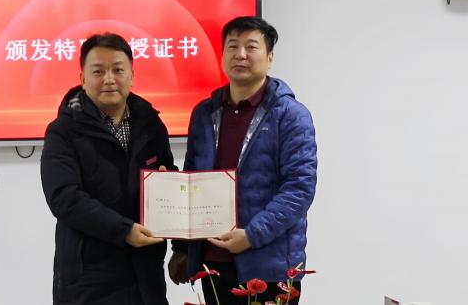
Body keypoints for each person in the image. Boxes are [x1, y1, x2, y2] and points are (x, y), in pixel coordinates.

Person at [168, 16, 317, 305]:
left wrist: (251, 235)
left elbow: (299, 189)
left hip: (269, 265)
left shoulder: (291, 115)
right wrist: (183, 247)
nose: (241, 54)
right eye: (233, 46)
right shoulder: (204, 113)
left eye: (251, 46)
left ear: (270, 58)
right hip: (213, 262)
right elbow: (192, 180)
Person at [41, 33, 177, 305]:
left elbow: (168, 173)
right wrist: (123, 230)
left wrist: (168, 183)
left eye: (117, 69)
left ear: (132, 75)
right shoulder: (64, 130)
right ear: (82, 78)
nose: (109, 79)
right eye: (98, 71)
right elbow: (64, 198)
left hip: (145, 274)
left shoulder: (151, 125)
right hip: (89, 277)